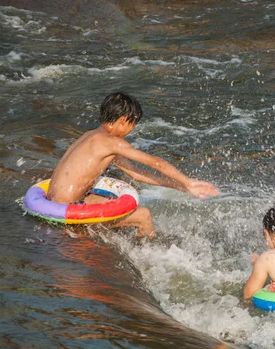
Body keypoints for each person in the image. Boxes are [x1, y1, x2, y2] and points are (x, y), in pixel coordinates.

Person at [47, 91, 219, 238]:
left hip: (54, 203)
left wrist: (182, 188)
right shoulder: (111, 142)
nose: (132, 130)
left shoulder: (91, 136)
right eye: (132, 125)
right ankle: (149, 255)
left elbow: (136, 173)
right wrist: (189, 182)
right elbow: (156, 162)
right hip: (66, 211)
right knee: (144, 215)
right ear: (123, 120)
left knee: (113, 205)